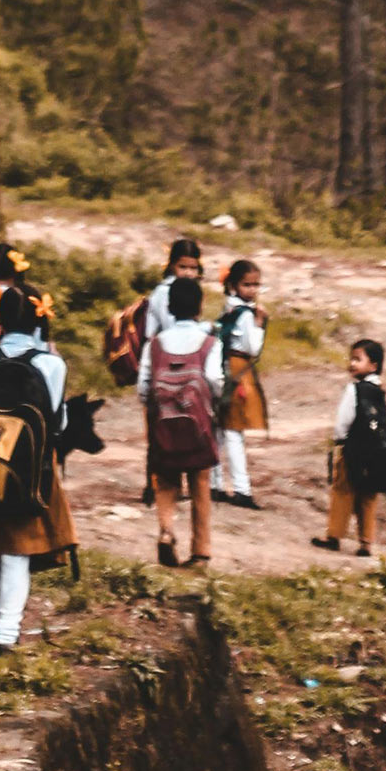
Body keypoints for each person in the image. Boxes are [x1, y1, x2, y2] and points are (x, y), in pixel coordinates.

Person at [0, 287, 74, 656]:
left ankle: (0, 626)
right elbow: (57, 421)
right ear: (41, 318)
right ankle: (6, 636)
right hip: (32, 471)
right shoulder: (51, 364)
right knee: (17, 552)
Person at [138, 275, 224, 568]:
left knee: (165, 481)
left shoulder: (156, 344)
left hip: (164, 424)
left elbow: (144, 385)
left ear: (170, 308)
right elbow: (213, 379)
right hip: (199, 425)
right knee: (200, 484)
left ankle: (166, 531)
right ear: (199, 308)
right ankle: (200, 551)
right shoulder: (210, 342)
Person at [138, 238, 205, 504]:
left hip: (169, 362)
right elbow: (171, 328)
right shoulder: (167, 293)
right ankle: (156, 485)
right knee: (164, 424)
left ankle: (160, 484)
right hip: (167, 361)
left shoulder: (179, 289)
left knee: (166, 423)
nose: (188, 273)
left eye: (193, 267)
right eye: (183, 266)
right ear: (171, 266)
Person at [313, 339, 386, 557]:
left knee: (343, 490)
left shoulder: (354, 390)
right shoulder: (379, 390)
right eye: (352, 358)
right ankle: (366, 542)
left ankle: (334, 535)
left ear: (373, 365)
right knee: (368, 495)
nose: (352, 363)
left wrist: (339, 439)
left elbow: (344, 419)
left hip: (353, 448)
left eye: (358, 359)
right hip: (375, 452)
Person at [211, 260, 269, 511]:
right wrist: (259, 325)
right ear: (234, 285)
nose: (252, 290)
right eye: (247, 284)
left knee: (220, 430)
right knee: (235, 431)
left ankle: (215, 484)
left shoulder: (229, 308)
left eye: (256, 285)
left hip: (223, 367)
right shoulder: (246, 314)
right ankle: (242, 489)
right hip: (238, 369)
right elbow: (253, 348)